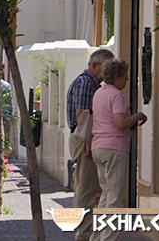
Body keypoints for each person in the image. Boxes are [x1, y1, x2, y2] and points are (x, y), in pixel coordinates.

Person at [91, 58, 147, 241]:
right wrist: (137, 116)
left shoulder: (98, 93)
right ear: (116, 77)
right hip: (114, 148)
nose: (127, 80)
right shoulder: (116, 95)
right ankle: (108, 238)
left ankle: (96, 236)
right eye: (125, 76)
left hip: (98, 146)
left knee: (105, 195)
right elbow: (120, 123)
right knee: (114, 197)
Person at [66, 49, 114, 241]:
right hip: (84, 139)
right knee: (86, 188)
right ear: (95, 65)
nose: (108, 71)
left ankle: (85, 232)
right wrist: (89, 142)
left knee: (89, 187)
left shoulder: (88, 82)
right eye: (106, 66)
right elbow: (83, 115)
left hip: (85, 139)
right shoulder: (86, 83)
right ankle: (83, 234)